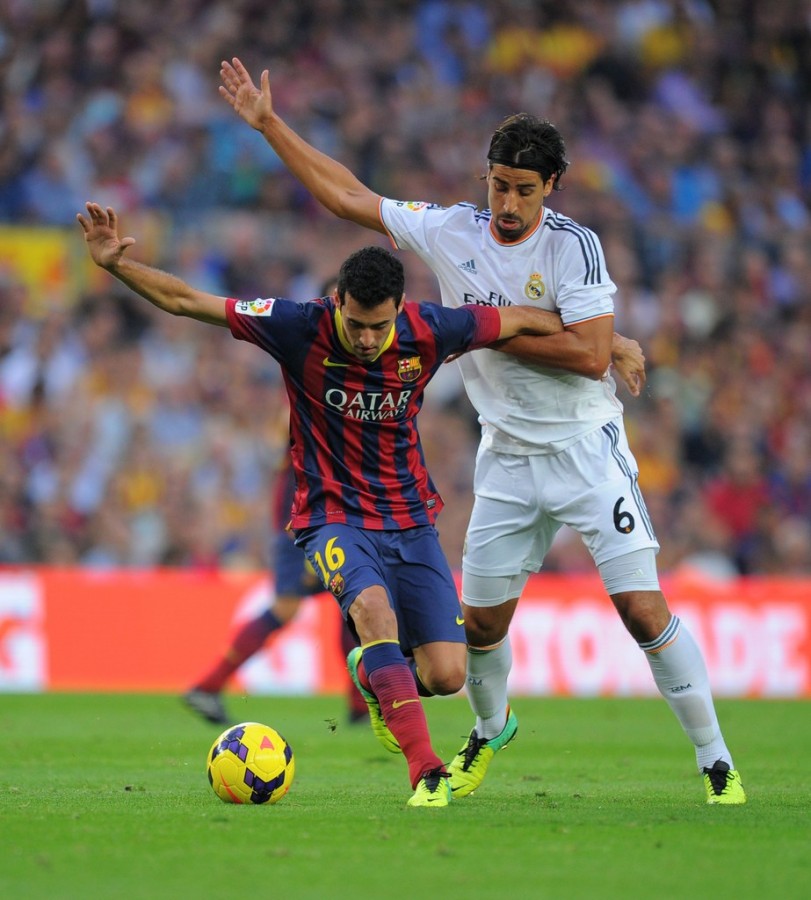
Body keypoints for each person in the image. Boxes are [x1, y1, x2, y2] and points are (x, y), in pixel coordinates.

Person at [216, 57, 745, 805]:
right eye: (498, 184)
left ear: (550, 186)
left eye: (524, 189)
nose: (508, 202)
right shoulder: (450, 230)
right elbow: (347, 196)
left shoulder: (573, 246)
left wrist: (477, 331)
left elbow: (590, 355)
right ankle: (488, 733)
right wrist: (270, 124)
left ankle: (716, 762)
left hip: (585, 450)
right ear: (485, 178)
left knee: (642, 610)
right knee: (482, 630)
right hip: (505, 459)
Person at [77, 201, 566, 807]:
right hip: (331, 515)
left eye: (378, 327)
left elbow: (516, 319)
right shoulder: (297, 325)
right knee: (372, 612)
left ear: (399, 310)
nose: (366, 339)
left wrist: (608, 339)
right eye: (355, 323)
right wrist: (116, 266)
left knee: (446, 675)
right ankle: (426, 771)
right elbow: (187, 301)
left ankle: (372, 674)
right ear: (337, 301)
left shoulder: (432, 329)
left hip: (410, 519)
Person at [183, 278, 369, 727]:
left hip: (332, 511)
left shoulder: (349, 374)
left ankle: (359, 707)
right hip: (304, 515)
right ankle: (207, 685)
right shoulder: (311, 370)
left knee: (353, 603)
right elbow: (283, 442)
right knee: (300, 604)